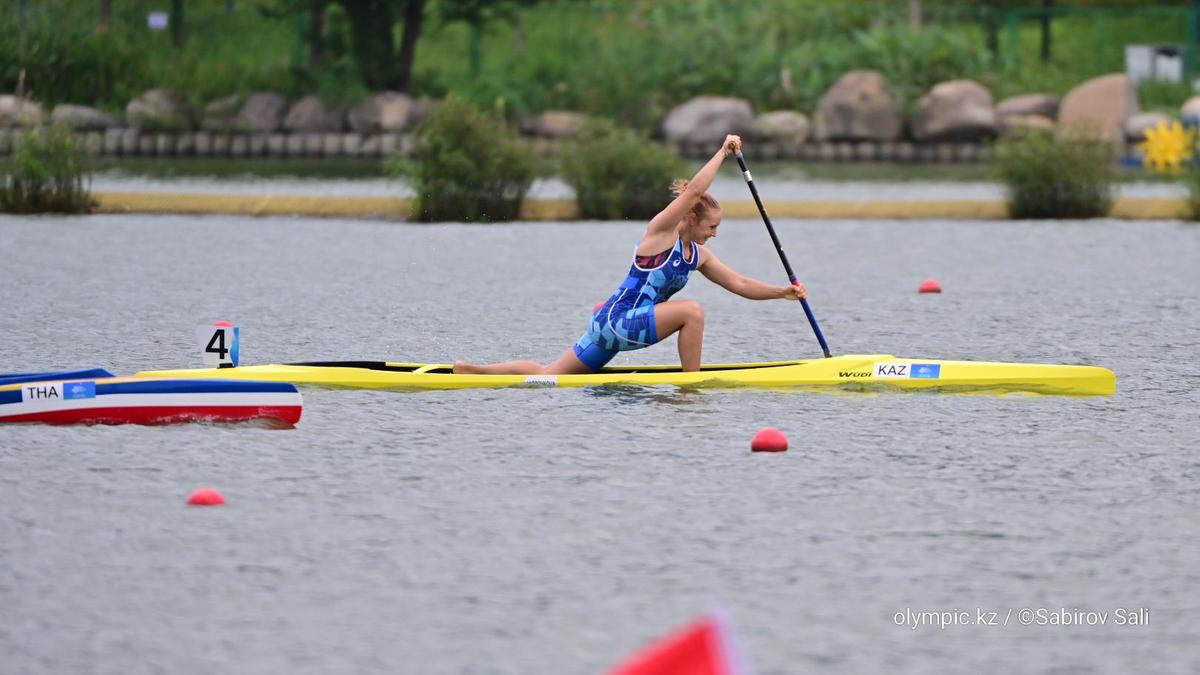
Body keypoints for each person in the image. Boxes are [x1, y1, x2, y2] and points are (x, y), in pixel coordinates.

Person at [453, 134, 808, 375]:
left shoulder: (696, 256)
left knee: (549, 377)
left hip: (608, 324)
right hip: (617, 321)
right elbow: (697, 187)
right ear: (690, 217)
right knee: (692, 312)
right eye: (711, 226)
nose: (714, 233)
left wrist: (783, 292)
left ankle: (474, 373)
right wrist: (722, 152)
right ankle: (692, 386)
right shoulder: (661, 231)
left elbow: (740, 283)